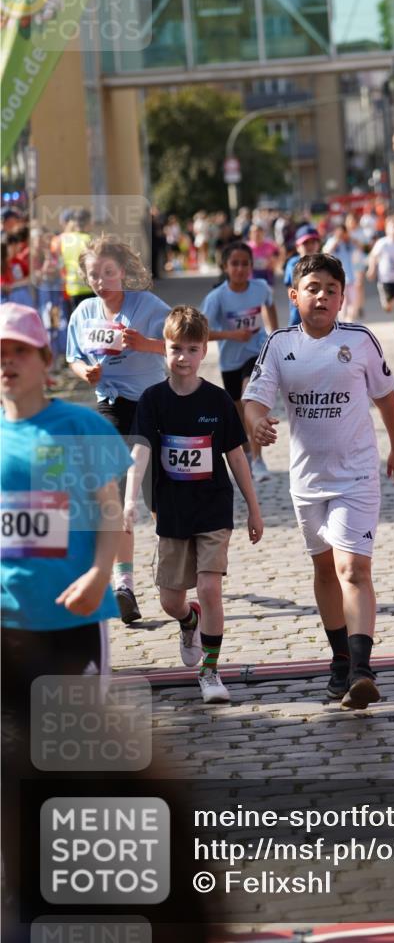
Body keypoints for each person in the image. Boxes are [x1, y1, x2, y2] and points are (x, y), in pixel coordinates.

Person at [1, 302, 132, 936]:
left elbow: (111, 514)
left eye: (18, 351)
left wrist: (101, 574)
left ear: (44, 361)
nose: (6, 362)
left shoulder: (80, 429)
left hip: (75, 623)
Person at [243, 253, 394, 710]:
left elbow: (387, 398)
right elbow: (253, 400)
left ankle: (362, 668)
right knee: (323, 571)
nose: (322, 296)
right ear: (294, 296)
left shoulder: (359, 340)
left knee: (353, 569)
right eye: (312, 287)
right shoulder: (278, 344)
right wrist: (257, 424)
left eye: (331, 289)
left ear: (342, 297)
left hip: (356, 474)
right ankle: (340, 661)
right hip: (307, 480)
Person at [123, 306, 263, 704]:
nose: (182, 357)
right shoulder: (152, 401)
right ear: (163, 351)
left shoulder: (218, 401)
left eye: (191, 349)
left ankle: (211, 670)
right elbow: (141, 454)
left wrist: (254, 508)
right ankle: (190, 620)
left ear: (204, 352)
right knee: (170, 600)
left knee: (209, 586)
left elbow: (237, 457)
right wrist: (130, 501)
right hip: (172, 512)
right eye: (174, 349)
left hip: (213, 507)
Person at [66, 235, 170, 624]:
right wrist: (85, 372)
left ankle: (169, 567)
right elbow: (74, 358)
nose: (100, 280)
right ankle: (123, 585)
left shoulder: (147, 306)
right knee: (113, 495)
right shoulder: (84, 313)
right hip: (109, 406)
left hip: (151, 406)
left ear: (122, 272)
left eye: (107, 272)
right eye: (93, 274)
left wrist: (145, 344)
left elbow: (184, 344)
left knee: (156, 497)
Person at [201, 241, 278, 483]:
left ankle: (258, 459)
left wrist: (275, 334)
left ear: (252, 266)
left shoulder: (260, 287)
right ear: (225, 266)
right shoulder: (217, 297)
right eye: (235, 264)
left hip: (257, 352)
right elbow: (201, 332)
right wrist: (231, 335)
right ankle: (247, 456)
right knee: (239, 414)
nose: (240, 269)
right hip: (229, 361)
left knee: (250, 399)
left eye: (245, 263)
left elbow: (270, 305)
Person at [283, 224, 321, 327]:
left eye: (313, 242)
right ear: (297, 246)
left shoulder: (324, 263)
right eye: (305, 243)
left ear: (318, 244)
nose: (310, 246)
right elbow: (290, 287)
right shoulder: (293, 263)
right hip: (299, 311)